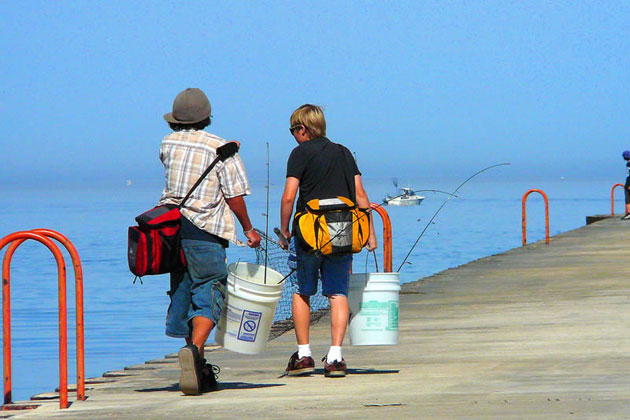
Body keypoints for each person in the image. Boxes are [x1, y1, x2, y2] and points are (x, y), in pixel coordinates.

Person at [158, 88, 261, 395]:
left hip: (172, 233)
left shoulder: (167, 142)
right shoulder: (221, 148)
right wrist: (249, 229)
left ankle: (197, 366)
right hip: (205, 232)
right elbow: (234, 196)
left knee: (184, 290)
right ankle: (196, 350)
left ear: (176, 119)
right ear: (207, 117)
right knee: (210, 290)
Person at [279, 104, 377, 377]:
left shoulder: (299, 154)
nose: (293, 136)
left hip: (309, 233)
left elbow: (289, 196)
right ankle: (335, 357)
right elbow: (360, 195)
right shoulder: (344, 152)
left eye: (292, 130)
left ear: (303, 129)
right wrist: (369, 232)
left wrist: (285, 230)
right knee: (338, 293)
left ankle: (304, 355)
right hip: (343, 231)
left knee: (302, 291)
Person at [622, 150, 630, 220]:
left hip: (629, 183)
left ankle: (629, 213)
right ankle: (628, 213)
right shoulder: (627, 164)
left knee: (628, 198)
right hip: (627, 182)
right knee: (627, 199)